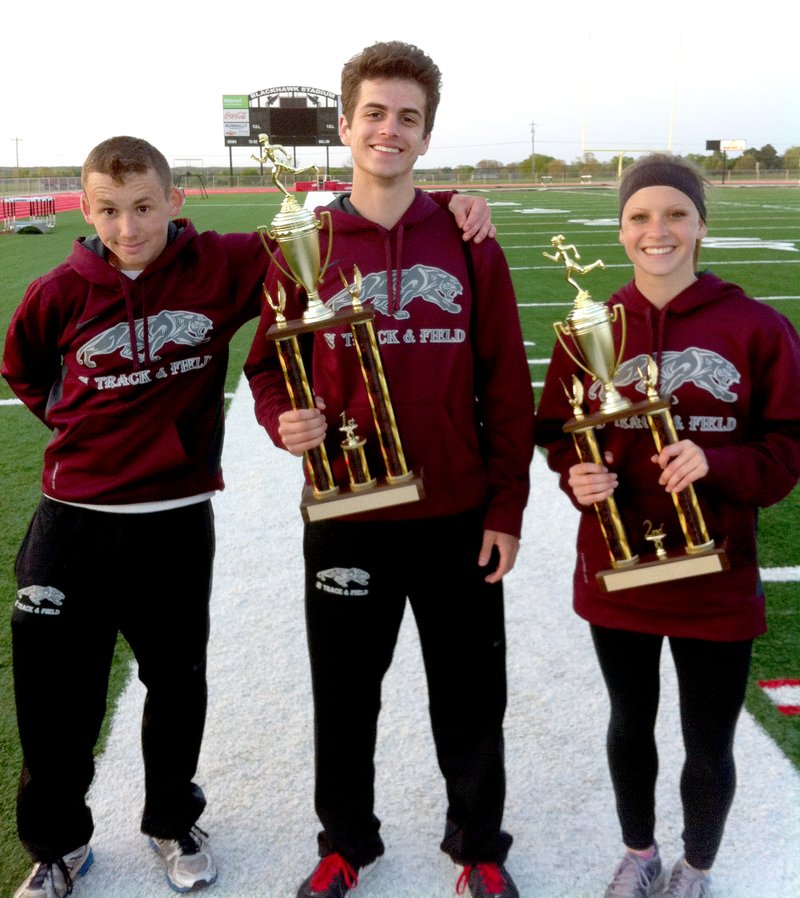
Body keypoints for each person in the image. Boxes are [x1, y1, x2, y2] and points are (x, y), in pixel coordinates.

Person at [1, 135, 494, 898]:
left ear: (176, 201)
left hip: (173, 515)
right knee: (54, 693)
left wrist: (453, 200)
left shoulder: (226, 263)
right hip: (72, 516)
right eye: (108, 210)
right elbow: (26, 373)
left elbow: (330, 226)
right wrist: (85, 434)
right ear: (87, 210)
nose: (128, 227)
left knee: (177, 684)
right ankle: (59, 845)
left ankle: (171, 820)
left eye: (143, 207)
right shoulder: (57, 291)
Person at [245, 40, 535, 898]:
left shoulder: (468, 237)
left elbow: (506, 384)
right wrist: (280, 420)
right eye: (374, 112)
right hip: (346, 511)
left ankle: (478, 848)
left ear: (426, 133)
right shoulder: (304, 239)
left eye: (407, 117)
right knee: (344, 698)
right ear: (345, 125)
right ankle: (345, 845)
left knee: (472, 699)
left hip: (454, 511)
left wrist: (506, 508)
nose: (389, 129)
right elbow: (267, 365)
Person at [535, 153, 800, 898]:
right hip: (618, 573)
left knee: (708, 738)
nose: (660, 230)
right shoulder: (586, 330)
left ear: (701, 226)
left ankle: (699, 866)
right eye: (641, 216)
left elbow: (786, 448)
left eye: (676, 213)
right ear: (620, 231)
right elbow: (560, 433)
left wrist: (716, 464)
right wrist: (574, 476)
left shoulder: (755, 327)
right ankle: (639, 850)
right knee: (630, 721)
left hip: (716, 576)